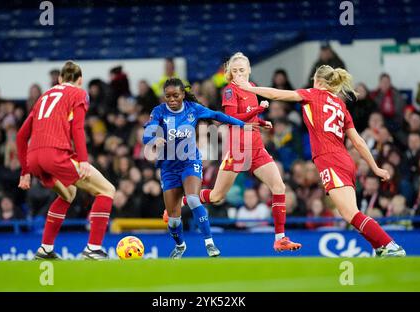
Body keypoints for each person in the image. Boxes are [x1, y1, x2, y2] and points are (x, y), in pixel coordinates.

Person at [236, 64, 406, 257]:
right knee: (351, 212)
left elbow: (277, 95)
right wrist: (375, 167)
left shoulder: (313, 94)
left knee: (350, 213)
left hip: (329, 159)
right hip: (344, 159)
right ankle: (380, 248)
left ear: (317, 81)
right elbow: (357, 141)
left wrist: (249, 88)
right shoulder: (340, 105)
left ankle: (390, 245)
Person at [181, 52, 302, 252]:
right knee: (216, 196)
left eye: (242, 70)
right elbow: (232, 118)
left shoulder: (252, 88)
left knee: (279, 186)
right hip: (238, 150)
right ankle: (183, 199)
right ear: (230, 73)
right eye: (235, 71)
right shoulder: (229, 91)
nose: (238, 74)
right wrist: (258, 112)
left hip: (256, 148)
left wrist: (261, 122)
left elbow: (249, 118)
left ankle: (280, 238)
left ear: (249, 70)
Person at [17, 61, 116, 260]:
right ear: (80, 80)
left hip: (34, 158)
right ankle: (93, 248)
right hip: (55, 154)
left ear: (60, 79)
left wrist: (25, 171)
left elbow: (20, 136)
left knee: (68, 194)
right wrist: (84, 160)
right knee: (107, 190)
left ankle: (45, 249)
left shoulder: (43, 97)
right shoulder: (79, 93)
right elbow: (77, 129)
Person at [143, 78, 248, 259]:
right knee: (174, 220)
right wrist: (153, 139)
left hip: (190, 162)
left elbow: (217, 115)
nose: (172, 99)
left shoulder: (193, 109)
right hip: (168, 168)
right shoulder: (158, 111)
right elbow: (147, 133)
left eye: (176, 95)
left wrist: (242, 125)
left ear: (183, 94)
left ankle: (210, 243)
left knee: (192, 199)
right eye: (168, 96)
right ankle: (180, 245)